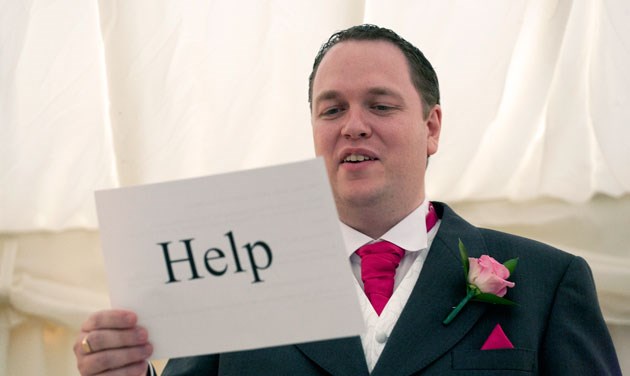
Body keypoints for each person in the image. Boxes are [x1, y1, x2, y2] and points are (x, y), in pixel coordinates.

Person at [74, 24, 621, 375]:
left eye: (380, 106)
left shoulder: (550, 284)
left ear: (431, 128)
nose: (353, 126)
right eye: (331, 110)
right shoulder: (236, 276)